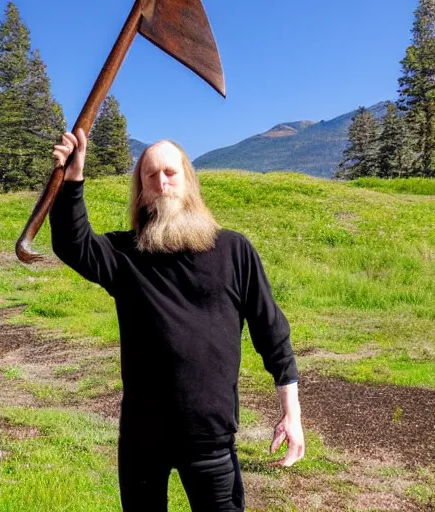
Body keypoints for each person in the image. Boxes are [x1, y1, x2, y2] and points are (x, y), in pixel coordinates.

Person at [50, 129, 305, 512]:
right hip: (142, 435)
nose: (161, 182)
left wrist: (292, 412)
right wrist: (73, 178)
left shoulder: (234, 251)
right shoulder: (126, 255)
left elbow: (272, 332)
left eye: (170, 172)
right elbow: (73, 244)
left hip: (210, 435)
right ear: (141, 191)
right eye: (150, 176)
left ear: (188, 181)